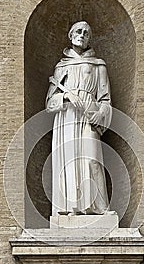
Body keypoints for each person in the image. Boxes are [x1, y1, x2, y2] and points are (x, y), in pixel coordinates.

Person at [46, 21, 112, 216]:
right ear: (71, 35)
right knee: (69, 160)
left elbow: (106, 100)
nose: (82, 35)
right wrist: (66, 96)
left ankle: (99, 207)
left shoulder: (98, 65)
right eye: (78, 31)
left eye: (86, 33)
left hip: (88, 115)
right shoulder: (61, 67)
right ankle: (70, 207)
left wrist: (99, 114)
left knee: (92, 159)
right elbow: (49, 103)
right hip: (66, 116)